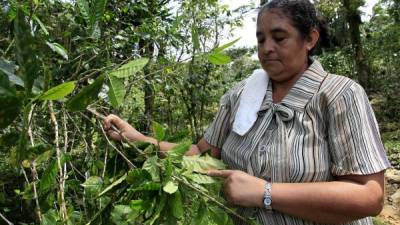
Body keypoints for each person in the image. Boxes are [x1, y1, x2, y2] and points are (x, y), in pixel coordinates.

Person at [103, 0, 391, 224]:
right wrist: (137, 139)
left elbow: (368, 195)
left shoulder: (339, 95)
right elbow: (201, 154)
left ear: (310, 39)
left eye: (279, 38)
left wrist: (265, 193)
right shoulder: (242, 94)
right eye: (261, 39)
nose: (267, 49)